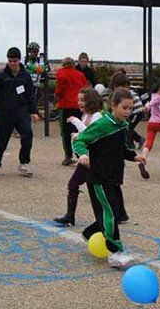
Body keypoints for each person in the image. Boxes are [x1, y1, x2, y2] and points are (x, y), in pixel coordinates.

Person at [72, 89, 146, 269]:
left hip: (113, 176)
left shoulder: (123, 125)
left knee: (116, 212)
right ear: (113, 106)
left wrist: (134, 156)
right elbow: (79, 140)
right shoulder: (103, 125)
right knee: (110, 212)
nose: (128, 112)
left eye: (130, 108)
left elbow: (121, 148)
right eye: (124, 108)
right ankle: (115, 253)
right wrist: (83, 154)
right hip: (98, 177)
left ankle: (89, 232)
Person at [0, 47, 41, 178]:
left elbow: (30, 95)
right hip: (4, 112)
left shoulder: (25, 76)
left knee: (27, 134)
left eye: (15, 61)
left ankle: (24, 162)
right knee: (1, 139)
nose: (13, 63)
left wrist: (33, 111)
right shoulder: (0, 76)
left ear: (19, 60)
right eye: (10, 61)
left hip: (21, 111)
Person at [52, 87, 103, 227]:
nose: (79, 102)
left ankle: (106, 216)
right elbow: (85, 135)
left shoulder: (97, 116)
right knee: (75, 184)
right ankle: (70, 216)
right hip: (85, 157)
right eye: (79, 100)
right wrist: (77, 136)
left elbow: (90, 133)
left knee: (95, 189)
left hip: (92, 158)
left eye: (83, 100)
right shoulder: (86, 115)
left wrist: (75, 122)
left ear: (91, 101)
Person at [55, 57, 89, 166]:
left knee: (65, 132)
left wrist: (56, 94)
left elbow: (59, 89)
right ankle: (81, 154)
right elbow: (86, 88)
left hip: (65, 105)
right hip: (78, 105)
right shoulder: (80, 74)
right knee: (78, 130)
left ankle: (68, 156)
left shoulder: (61, 73)